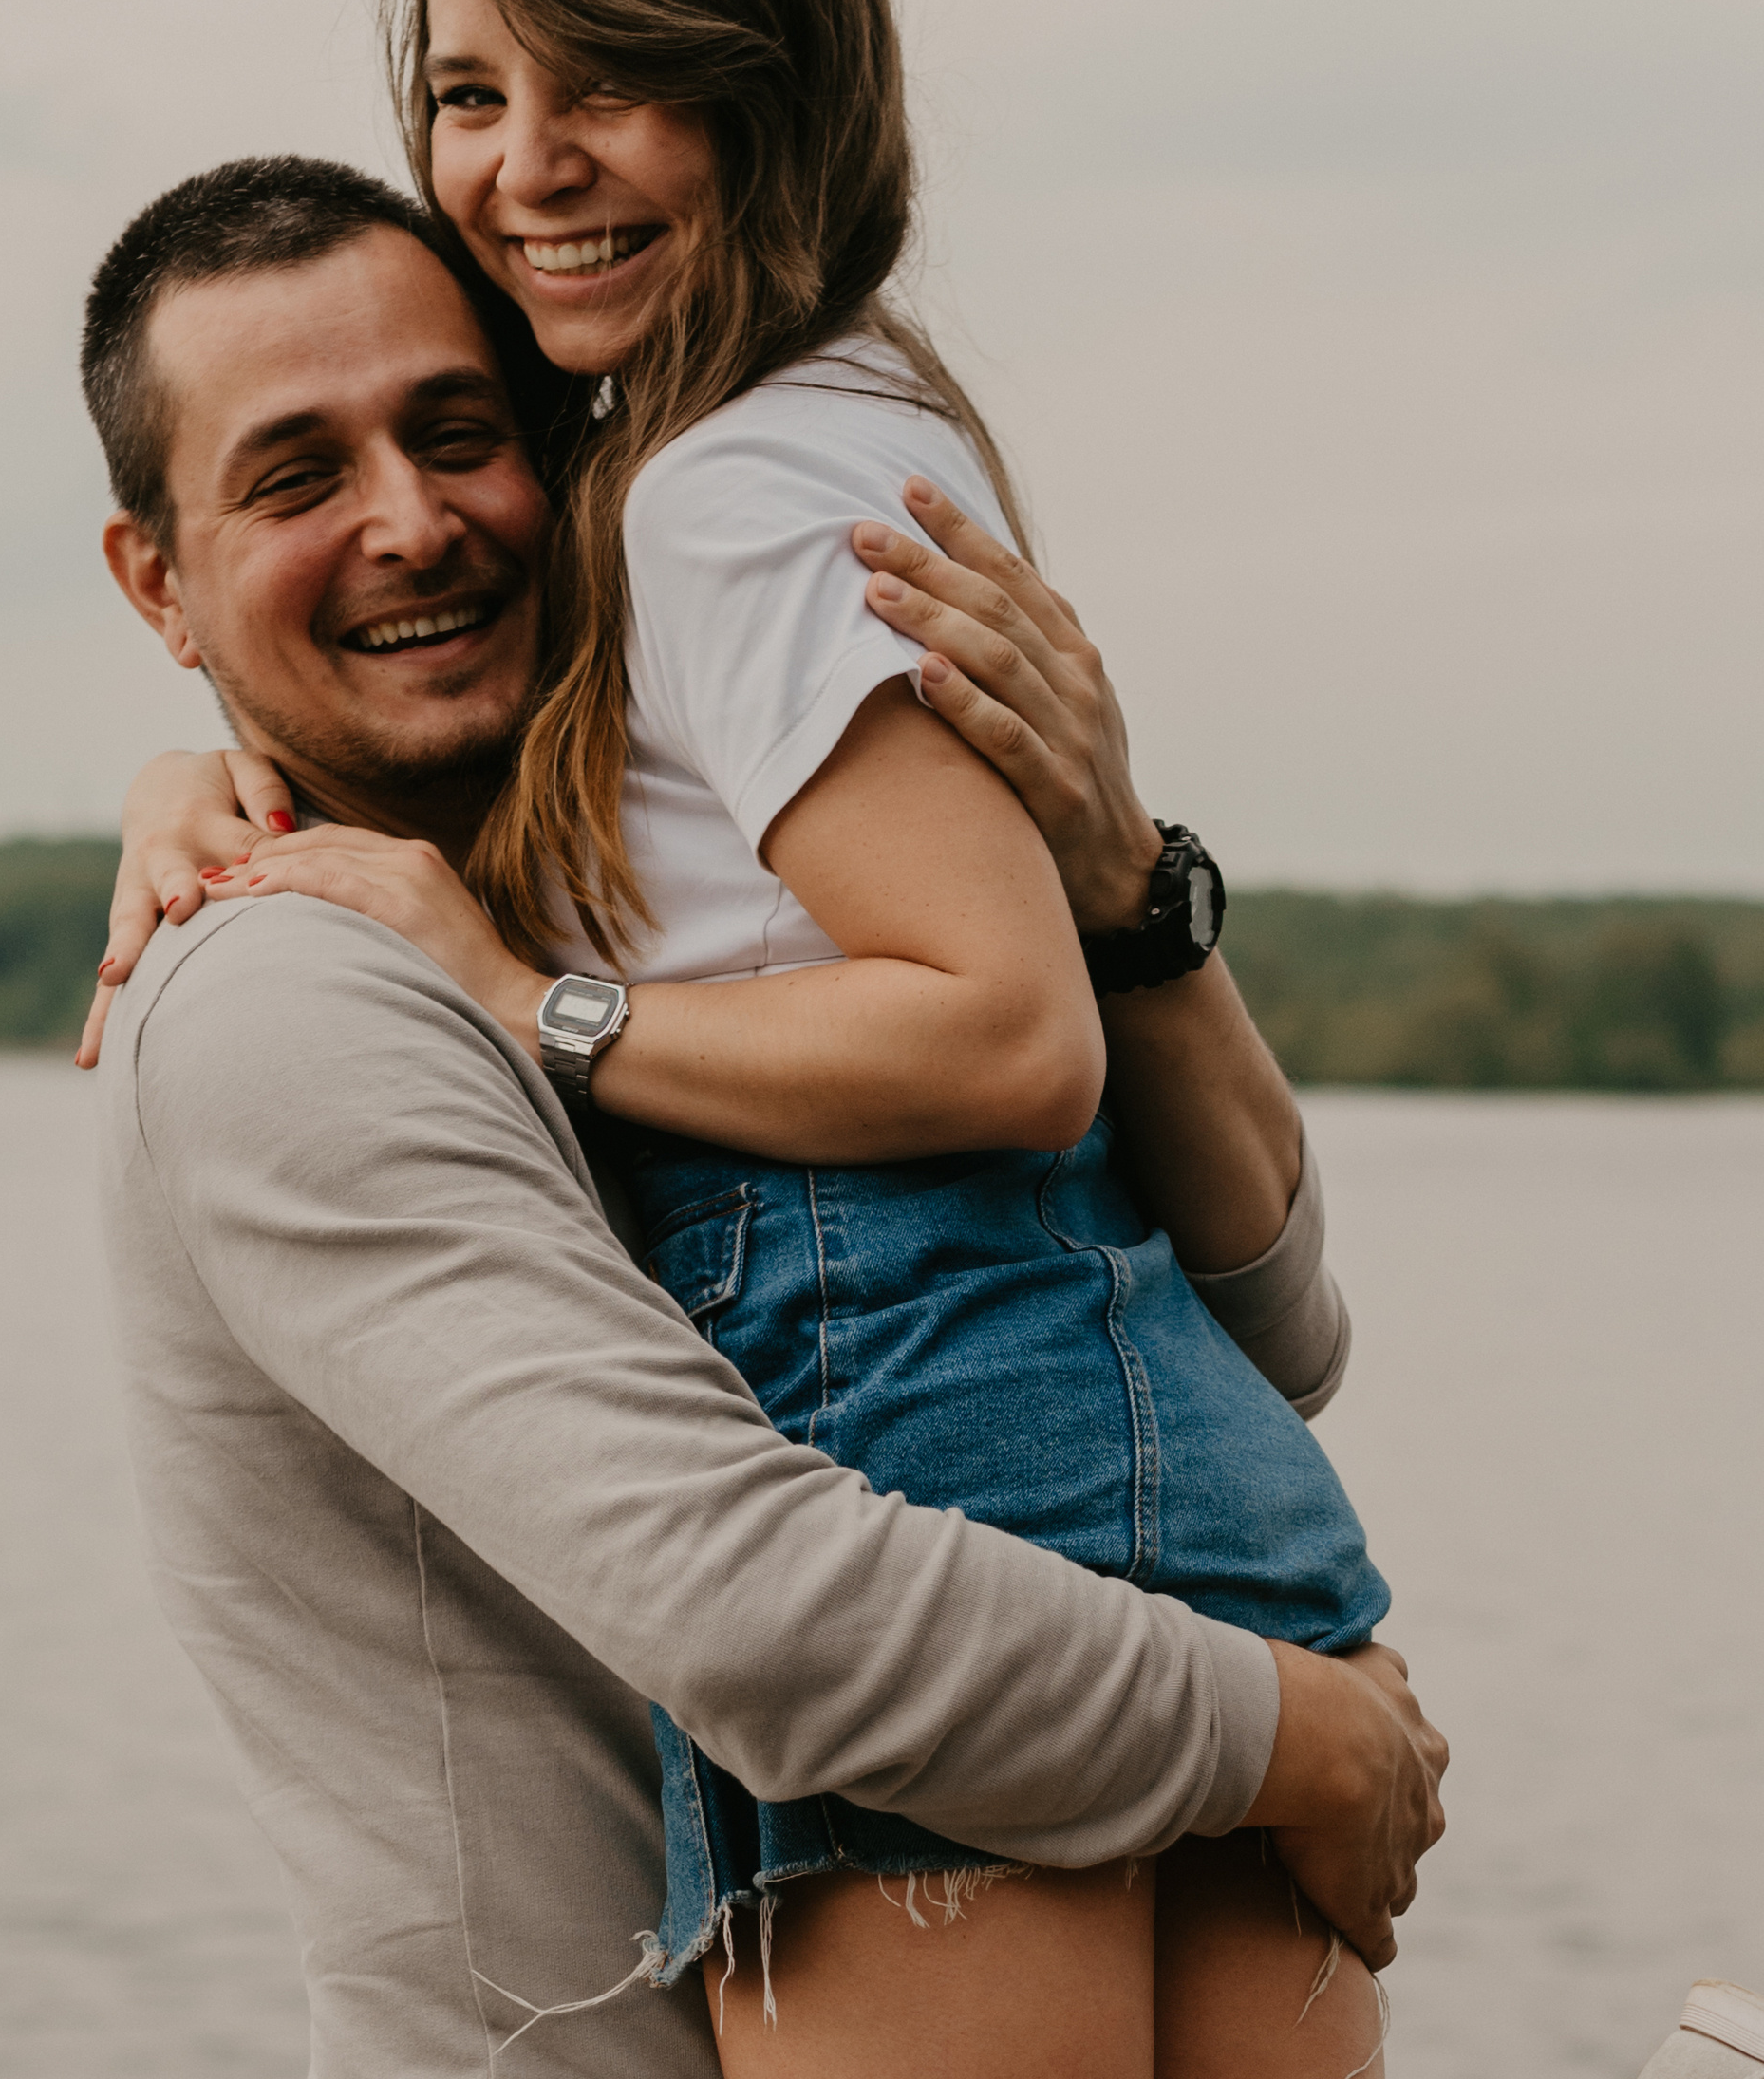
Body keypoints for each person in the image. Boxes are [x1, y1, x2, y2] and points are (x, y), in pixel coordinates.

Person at [82, 156, 1444, 2077]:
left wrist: (1119, 882)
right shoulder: (295, 998)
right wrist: (1297, 1732)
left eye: (461, 432)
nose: (409, 522)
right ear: (159, 575)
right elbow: (756, 1600)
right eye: (296, 476)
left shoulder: (617, 917)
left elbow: (1274, 1336)